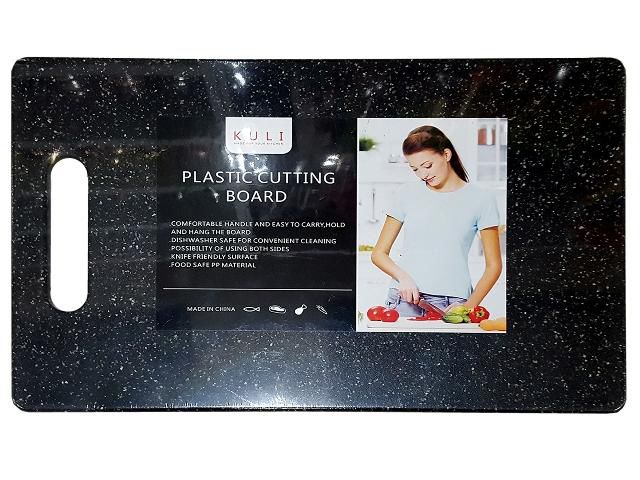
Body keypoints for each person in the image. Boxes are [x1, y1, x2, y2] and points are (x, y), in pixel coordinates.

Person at [371, 125, 502, 317]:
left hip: (453, 304)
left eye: (427, 166)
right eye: (415, 169)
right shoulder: (406, 194)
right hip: (404, 298)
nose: (423, 175)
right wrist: (403, 278)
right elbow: (378, 254)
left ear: (446, 155)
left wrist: (468, 307)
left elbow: (494, 266)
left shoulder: (482, 199)